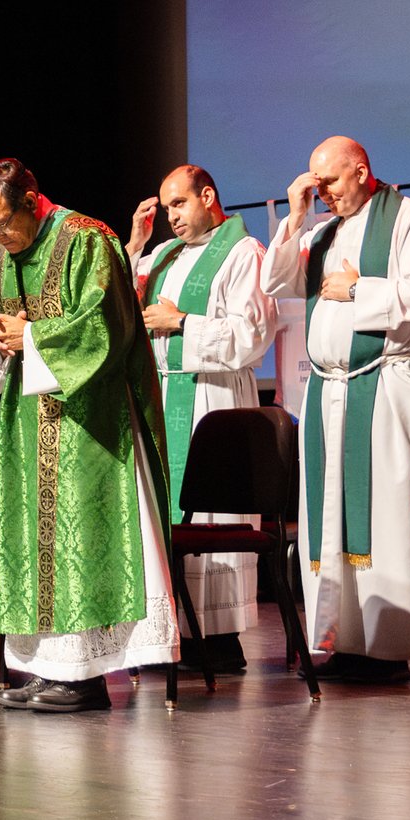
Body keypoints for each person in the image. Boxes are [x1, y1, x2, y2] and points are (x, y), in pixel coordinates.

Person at [0, 157, 177, 713]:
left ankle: (82, 674)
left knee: (79, 537)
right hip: (25, 420)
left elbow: (105, 326)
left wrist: (30, 335)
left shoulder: (89, 239)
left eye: (3, 222)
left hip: (90, 419)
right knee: (31, 539)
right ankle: (40, 667)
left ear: (32, 201)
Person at [260, 135, 410, 683]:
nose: (324, 192)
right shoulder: (322, 232)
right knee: (333, 519)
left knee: (387, 515)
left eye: (332, 181)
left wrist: (358, 289)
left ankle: (386, 651)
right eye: (315, 183)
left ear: (363, 171)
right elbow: (277, 281)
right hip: (330, 392)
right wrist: (294, 218)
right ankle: (342, 640)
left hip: (388, 386)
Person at [126, 165, 277, 672]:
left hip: (213, 399)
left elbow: (252, 334)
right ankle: (168, 632)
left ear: (207, 196)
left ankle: (217, 640)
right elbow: (117, 304)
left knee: (215, 515)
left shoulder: (243, 252)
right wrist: (133, 246)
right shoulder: (163, 255)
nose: (171, 217)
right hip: (163, 394)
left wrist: (182, 322)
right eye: (165, 207)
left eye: (180, 204)